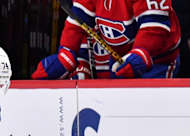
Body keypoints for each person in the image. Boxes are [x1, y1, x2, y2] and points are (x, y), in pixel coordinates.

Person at [32, 0, 181, 79]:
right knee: (117, 110)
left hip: (158, 61)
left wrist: (141, 53)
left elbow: (154, 25)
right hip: (119, 58)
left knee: (149, 111)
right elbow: (78, 20)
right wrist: (66, 55)